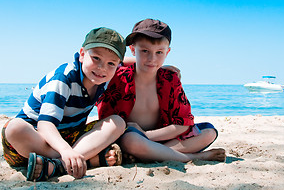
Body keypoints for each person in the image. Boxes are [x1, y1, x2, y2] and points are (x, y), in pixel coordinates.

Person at [1, 27, 127, 181]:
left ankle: (58, 165)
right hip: (35, 139)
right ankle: (80, 160)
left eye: (111, 64)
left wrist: (162, 67)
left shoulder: (104, 78)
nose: (102, 68)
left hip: (70, 137)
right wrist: (66, 150)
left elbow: (132, 64)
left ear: (117, 65)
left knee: (117, 122)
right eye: (96, 58)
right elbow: (45, 125)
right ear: (82, 54)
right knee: (15, 128)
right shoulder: (64, 78)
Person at [96, 19, 226, 163]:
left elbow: (183, 123)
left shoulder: (170, 80)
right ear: (133, 50)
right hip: (129, 138)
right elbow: (105, 60)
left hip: (159, 138)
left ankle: (148, 153)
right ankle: (192, 157)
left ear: (167, 52)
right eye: (144, 51)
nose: (152, 59)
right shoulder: (117, 76)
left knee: (209, 132)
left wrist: (146, 135)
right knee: (131, 140)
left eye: (159, 52)